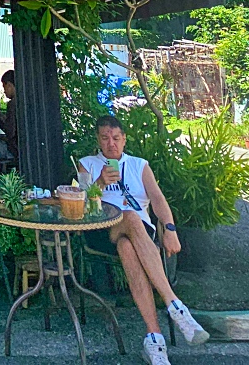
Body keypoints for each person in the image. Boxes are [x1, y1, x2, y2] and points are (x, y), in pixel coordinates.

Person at [79, 114, 209, 365]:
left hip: (137, 236)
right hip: (101, 230)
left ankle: (154, 339)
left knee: (128, 246)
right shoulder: (88, 164)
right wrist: (99, 183)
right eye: (105, 138)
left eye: (116, 138)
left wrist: (170, 229)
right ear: (98, 139)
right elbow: (82, 206)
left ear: (124, 139)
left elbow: (158, 200)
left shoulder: (139, 165)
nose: (111, 144)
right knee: (129, 216)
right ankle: (174, 304)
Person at [0, 70, 17, 159]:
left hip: (13, 149)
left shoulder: (12, 104)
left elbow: (10, 133)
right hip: (20, 148)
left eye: (4, 87)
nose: (4, 91)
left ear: (9, 85)